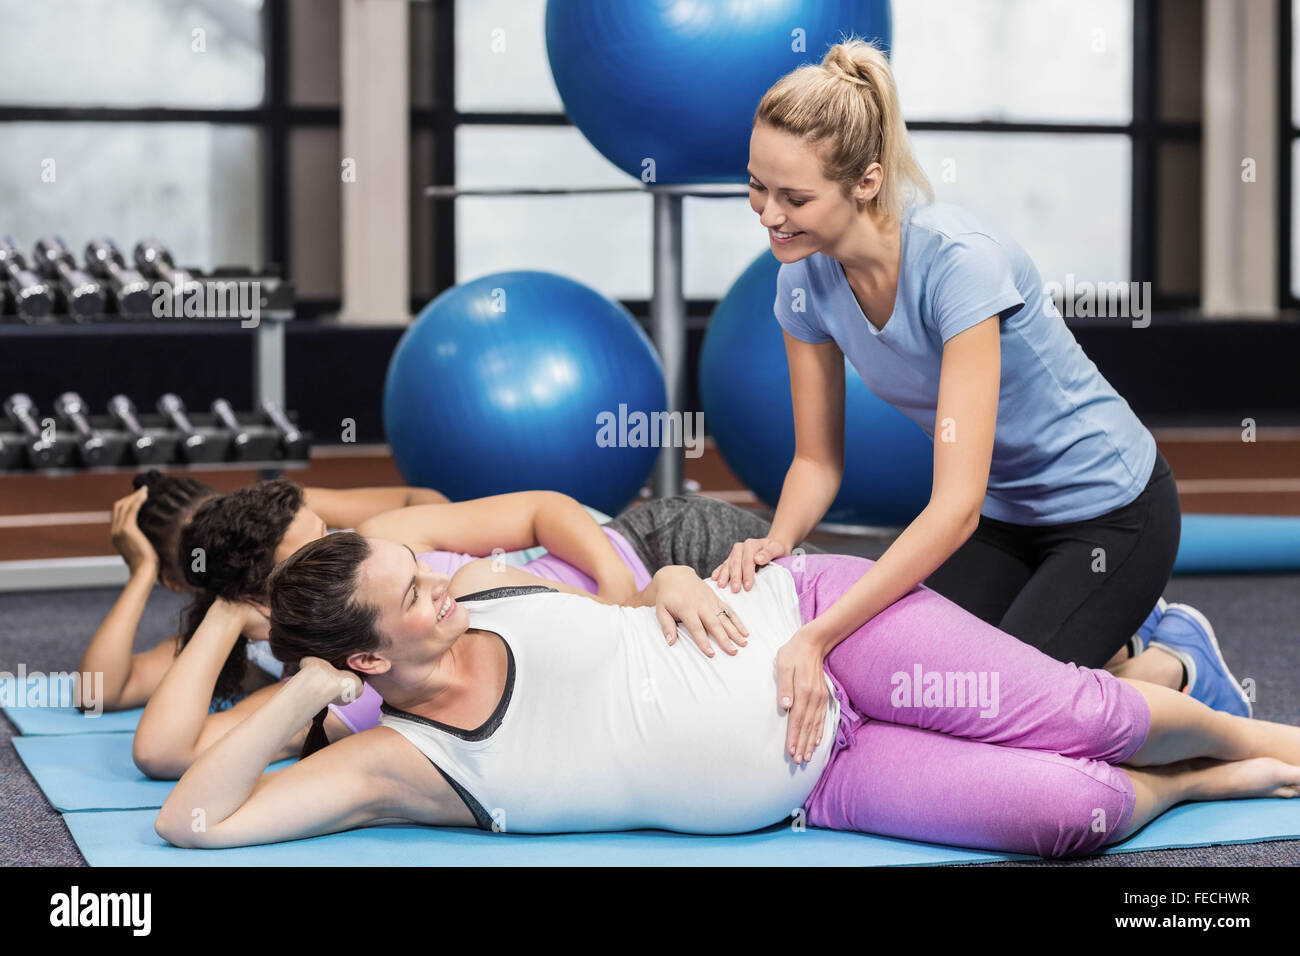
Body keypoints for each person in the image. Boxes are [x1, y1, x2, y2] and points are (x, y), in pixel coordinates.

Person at [154, 533, 1299, 859]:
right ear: (362, 659)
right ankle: (1217, 778)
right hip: (822, 784)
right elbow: (191, 819)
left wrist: (678, 574)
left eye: (425, 569)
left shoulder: (487, 584)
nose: (438, 584)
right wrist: (293, 683)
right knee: (1070, 816)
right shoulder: (393, 762)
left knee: (1079, 714)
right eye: (413, 591)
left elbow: (623, 582)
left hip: (816, 626)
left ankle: (1256, 731)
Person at [713, 36, 1250, 732]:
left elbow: (954, 506)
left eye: (795, 196)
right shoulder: (801, 286)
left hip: (1113, 515)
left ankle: (1179, 662)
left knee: (996, 711)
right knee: (910, 684)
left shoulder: (957, 265)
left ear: (867, 181)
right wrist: (778, 541)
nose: (769, 213)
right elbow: (817, 461)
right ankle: (1116, 645)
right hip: (1005, 521)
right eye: (757, 185)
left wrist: (818, 634)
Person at [131, 477, 823, 779]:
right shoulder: (330, 687)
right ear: (267, 599)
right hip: (651, 655)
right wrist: (225, 614)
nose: (340, 545)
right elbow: (163, 754)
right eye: (312, 554)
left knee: (848, 621)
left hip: (658, 550)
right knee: (809, 700)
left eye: (327, 533)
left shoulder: (381, 538)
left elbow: (543, 511)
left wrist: (621, 593)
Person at [79, 471, 452, 714]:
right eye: (198, 558)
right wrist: (142, 572)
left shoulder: (297, 522)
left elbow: (426, 500)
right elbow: (95, 693)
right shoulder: (239, 638)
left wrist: (408, 561)